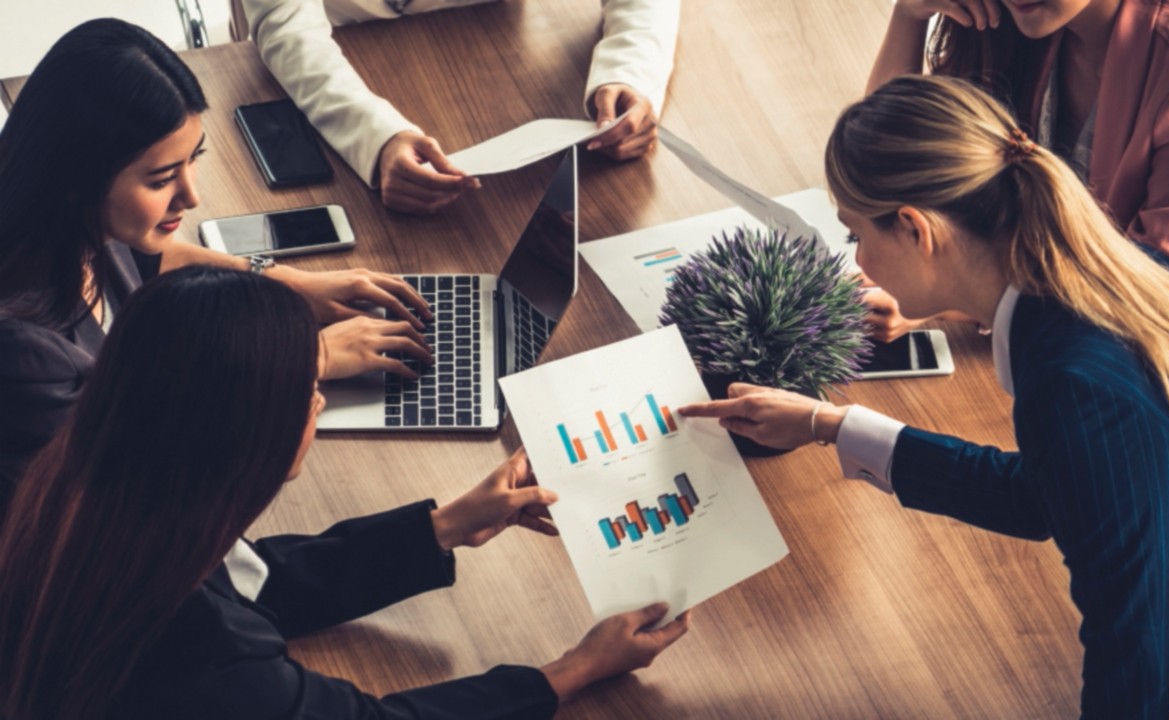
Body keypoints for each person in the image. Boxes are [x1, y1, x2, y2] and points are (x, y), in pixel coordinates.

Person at [681, 76, 1169, 718]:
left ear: (915, 228)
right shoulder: (1115, 275)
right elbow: (1059, 492)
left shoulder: (1074, 382)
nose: (857, 263)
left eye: (856, 236)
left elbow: (1134, 648)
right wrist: (827, 423)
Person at [0, 265, 690, 720]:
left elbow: (256, 582)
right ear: (255, 438)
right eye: (310, 390)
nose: (320, 404)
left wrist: (445, 525)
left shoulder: (78, 496)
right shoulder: (212, 662)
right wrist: (571, 671)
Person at [0, 19, 434, 492]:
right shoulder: (23, 353)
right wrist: (310, 357)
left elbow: (151, 263)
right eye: (161, 179)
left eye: (193, 159)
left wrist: (283, 283)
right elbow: (140, 457)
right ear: (76, 178)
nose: (191, 196)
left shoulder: (84, 225)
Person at [861, 0, 1169, 349]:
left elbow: (1161, 291)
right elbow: (880, 164)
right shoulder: (1018, 26)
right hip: (1062, 329)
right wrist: (910, 15)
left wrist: (951, 295)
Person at [243, 0, 680, 214]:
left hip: (490, 55)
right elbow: (289, 29)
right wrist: (375, 137)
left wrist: (631, 72)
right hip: (337, 64)